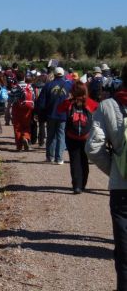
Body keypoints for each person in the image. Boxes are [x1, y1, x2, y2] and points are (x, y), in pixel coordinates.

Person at [86, 64, 127, 291]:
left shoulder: (108, 106)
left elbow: (93, 148)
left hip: (122, 187)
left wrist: (114, 169)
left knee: (124, 252)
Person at [57, 81, 98, 193]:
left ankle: (77, 185)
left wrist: (69, 98)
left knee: (75, 161)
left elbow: (59, 109)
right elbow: (99, 110)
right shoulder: (90, 103)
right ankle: (83, 184)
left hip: (71, 135)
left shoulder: (69, 103)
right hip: (86, 136)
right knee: (84, 160)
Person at [38, 67, 72, 164]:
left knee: (51, 136)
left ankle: (50, 157)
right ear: (63, 74)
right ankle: (59, 158)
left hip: (51, 114)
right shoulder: (69, 86)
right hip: (63, 115)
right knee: (61, 136)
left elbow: (41, 102)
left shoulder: (48, 85)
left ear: (55, 74)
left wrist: (40, 113)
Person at [9, 70, 35, 151]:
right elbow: (33, 97)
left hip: (17, 108)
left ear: (16, 78)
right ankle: (26, 137)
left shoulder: (15, 87)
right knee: (26, 125)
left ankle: (19, 146)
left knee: (17, 126)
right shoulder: (29, 86)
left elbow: (11, 100)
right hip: (28, 108)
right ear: (24, 78)